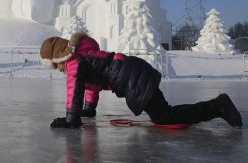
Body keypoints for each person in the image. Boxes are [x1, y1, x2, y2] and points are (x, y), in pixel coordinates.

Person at [40, 32, 243, 129]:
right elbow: (91, 86)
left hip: (131, 77)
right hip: (133, 71)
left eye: (56, 65)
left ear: (60, 58)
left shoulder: (75, 61)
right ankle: (217, 106)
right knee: (163, 113)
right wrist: (89, 109)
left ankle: (218, 106)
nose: (59, 70)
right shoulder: (84, 57)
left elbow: (74, 87)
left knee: (163, 116)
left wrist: (71, 118)